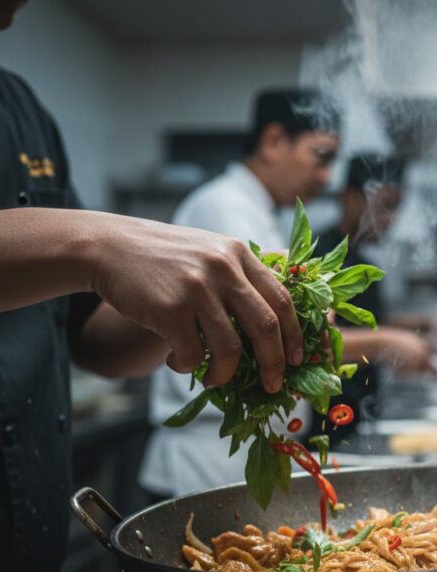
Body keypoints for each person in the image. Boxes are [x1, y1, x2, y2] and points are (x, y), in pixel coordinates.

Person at [0, 3, 303, 572]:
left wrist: (201, 318)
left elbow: (95, 337)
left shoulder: (17, 106)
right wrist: (97, 242)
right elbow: (86, 258)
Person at [140, 88, 340, 498]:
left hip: (231, 462)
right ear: (272, 142)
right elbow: (263, 329)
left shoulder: (260, 212)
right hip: (203, 465)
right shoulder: (222, 207)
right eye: (320, 156)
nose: (327, 176)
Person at [313, 153, 434, 435]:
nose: (391, 219)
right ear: (351, 198)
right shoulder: (319, 255)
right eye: (385, 206)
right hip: (327, 423)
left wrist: (423, 325)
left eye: (396, 209)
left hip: (360, 417)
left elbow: (361, 322)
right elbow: (315, 342)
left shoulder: (360, 258)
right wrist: (388, 341)